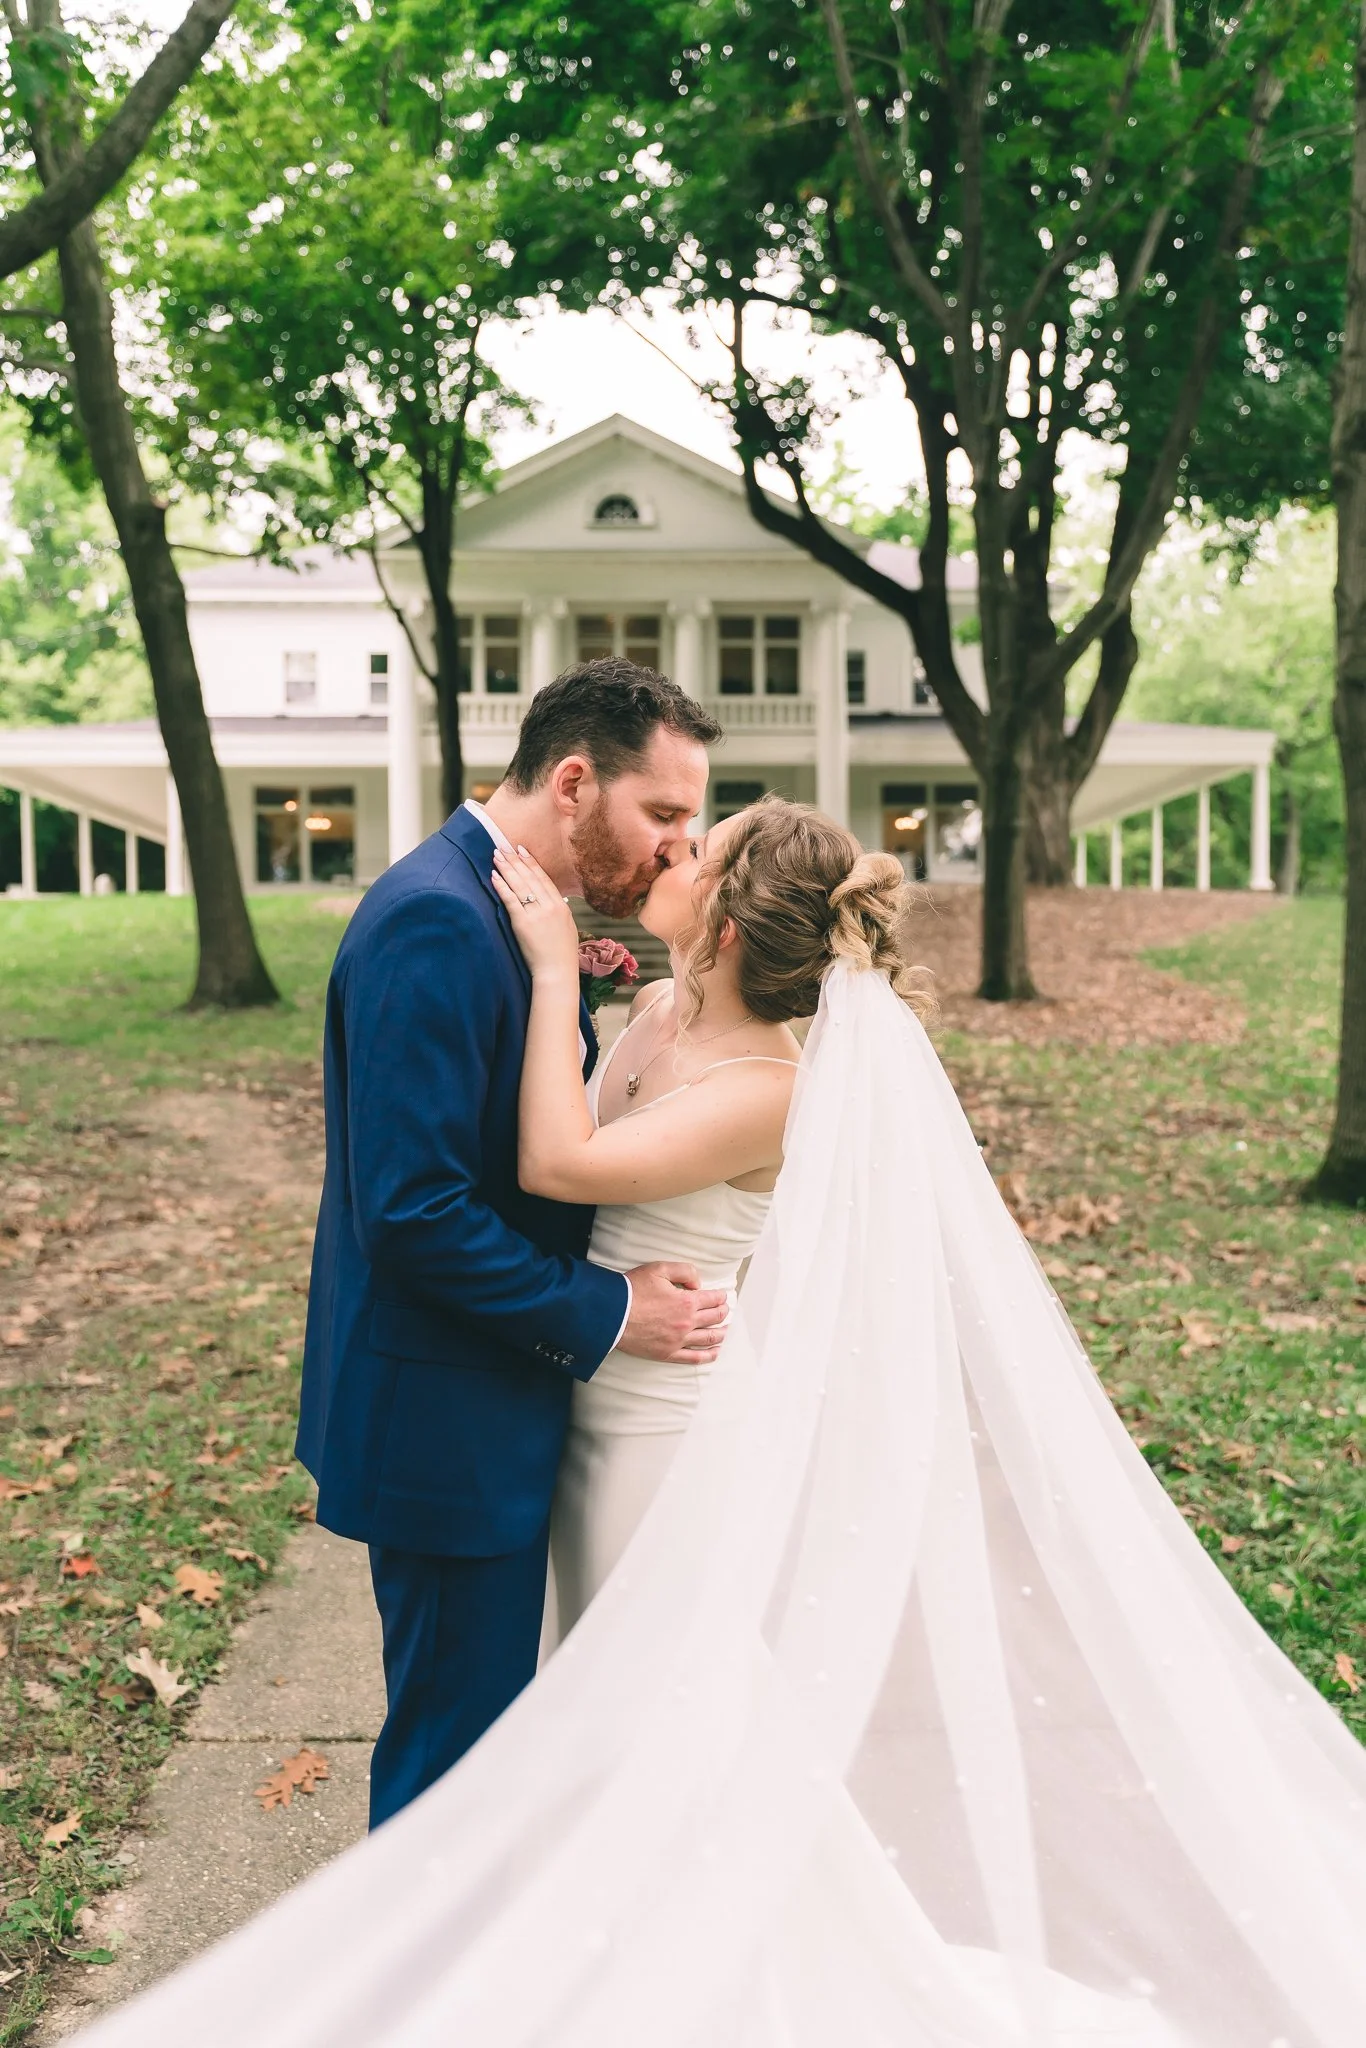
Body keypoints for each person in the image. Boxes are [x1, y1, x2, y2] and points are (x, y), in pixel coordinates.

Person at [82, 797, 1366, 2048]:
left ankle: (689, 1976)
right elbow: (572, 1116)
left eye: (705, 846)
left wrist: (547, 968)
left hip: (664, 1440)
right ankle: (577, 1951)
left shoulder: (769, 1085)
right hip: (577, 1405)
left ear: (732, 923)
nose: (676, 851)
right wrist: (580, 998)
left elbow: (559, 1164)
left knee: (664, 1712)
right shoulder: (654, 1008)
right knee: (583, 1707)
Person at [295, 656, 726, 1829]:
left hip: (493, 1409)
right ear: (575, 782)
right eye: (663, 812)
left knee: (491, 1752)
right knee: (453, 1773)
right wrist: (613, 1310)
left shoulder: (498, 909)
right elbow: (413, 1210)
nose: (678, 847)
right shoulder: (436, 917)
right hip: (446, 1427)